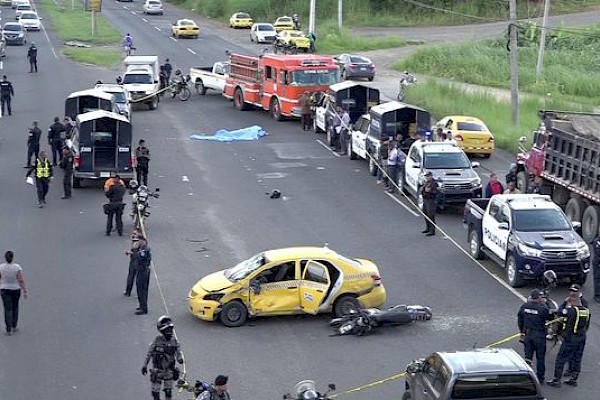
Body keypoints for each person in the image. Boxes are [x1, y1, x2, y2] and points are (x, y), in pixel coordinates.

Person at [547, 296, 591, 387]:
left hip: (571, 338)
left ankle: (556, 380)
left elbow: (559, 313)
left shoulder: (570, 310)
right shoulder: (587, 311)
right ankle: (574, 379)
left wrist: (564, 302)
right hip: (581, 338)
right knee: (577, 358)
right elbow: (587, 325)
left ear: (572, 302)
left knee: (561, 358)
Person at [141, 316, 184, 400]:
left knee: (168, 392)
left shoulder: (174, 341)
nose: (170, 332)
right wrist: (144, 365)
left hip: (169, 371)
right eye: (167, 330)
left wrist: (180, 359)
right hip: (157, 371)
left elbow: (178, 351)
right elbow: (149, 353)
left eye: (170, 330)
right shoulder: (157, 340)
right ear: (162, 331)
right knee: (155, 393)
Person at [517, 288, 551, 383]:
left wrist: (522, 332)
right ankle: (540, 378)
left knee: (528, 357)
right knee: (540, 358)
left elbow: (520, 320)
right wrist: (546, 303)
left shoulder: (524, 306)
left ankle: (527, 377)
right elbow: (550, 317)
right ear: (539, 297)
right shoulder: (542, 308)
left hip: (528, 335)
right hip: (539, 335)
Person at [0, 251, 28, 336]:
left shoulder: (1, 267)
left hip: (4, 289)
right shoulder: (17, 267)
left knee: (7, 309)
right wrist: (25, 290)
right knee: (15, 307)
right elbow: (21, 280)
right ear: (12, 258)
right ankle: (14, 325)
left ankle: (8, 329)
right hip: (15, 289)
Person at [134, 235, 152, 314]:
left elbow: (140, 258)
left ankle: (144, 308)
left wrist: (136, 249)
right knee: (139, 288)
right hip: (141, 270)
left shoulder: (144, 250)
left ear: (142, 240)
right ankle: (141, 305)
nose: (136, 242)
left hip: (143, 271)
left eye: (138, 241)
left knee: (142, 290)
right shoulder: (142, 248)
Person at [124, 229, 142, 297]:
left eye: (134, 233)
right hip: (134, 260)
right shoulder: (135, 241)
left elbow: (137, 253)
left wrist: (129, 252)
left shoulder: (138, 242)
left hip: (137, 261)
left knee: (134, 276)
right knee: (131, 276)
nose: (133, 235)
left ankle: (129, 291)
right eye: (132, 233)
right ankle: (128, 291)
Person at [420, 171, 439, 236]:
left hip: (431, 201)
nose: (427, 177)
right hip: (425, 200)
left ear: (431, 176)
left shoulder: (434, 183)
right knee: (425, 214)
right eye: (426, 176)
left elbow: (436, 191)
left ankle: (432, 230)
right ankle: (428, 228)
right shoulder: (426, 182)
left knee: (430, 215)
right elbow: (422, 190)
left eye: (428, 176)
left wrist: (429, 190)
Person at [594, 234, 600, 303]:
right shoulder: (597, 242)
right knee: (597, 279)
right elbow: (597, 254)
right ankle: (597, 295)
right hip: (598, 263)